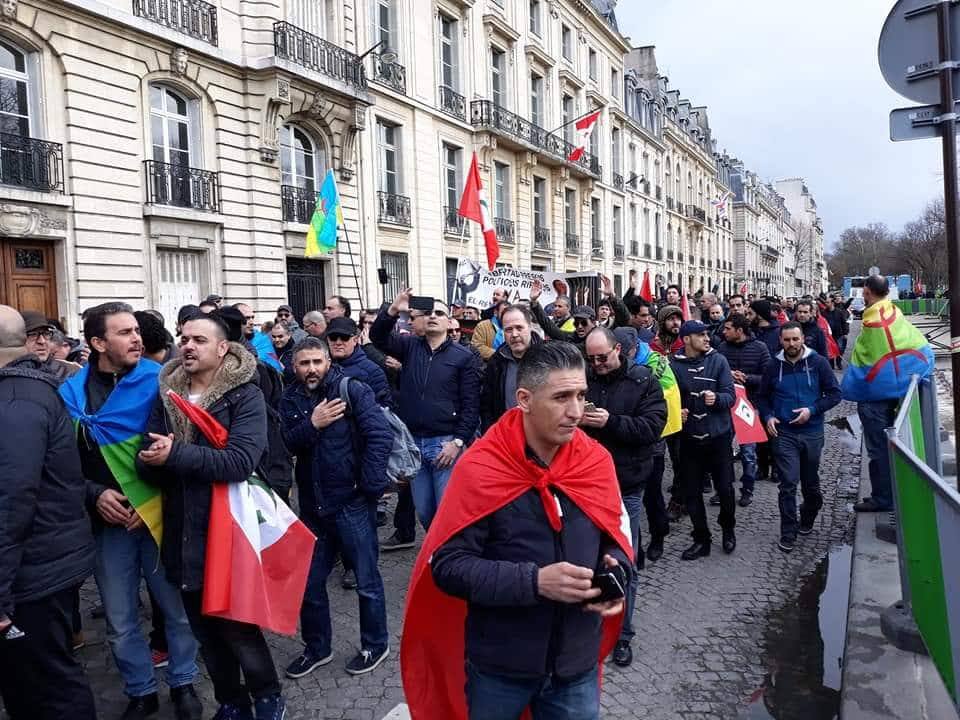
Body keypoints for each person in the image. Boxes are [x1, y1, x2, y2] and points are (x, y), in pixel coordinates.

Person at [401, 342, 633, 720]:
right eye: (561, 397)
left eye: (581, 395)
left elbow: (618, 535)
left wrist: (616, 572)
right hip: (500, 668)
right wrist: (535, 582)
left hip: (576, 665)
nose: (577, 412)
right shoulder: (480, 468)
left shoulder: (596, 461)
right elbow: (448, 566)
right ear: (524, 398)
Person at [136, 312, 286, 720]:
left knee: (236, 625)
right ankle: (231, 701)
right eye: (184, 338)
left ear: (222, 349)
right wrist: (152, 460)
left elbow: (239, 461)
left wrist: (174, 455)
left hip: (228, 529)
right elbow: (145, 460)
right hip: (182, 529)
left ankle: (268, 697)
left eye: (199, 340)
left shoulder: (244, 395)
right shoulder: (167, 394)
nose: (187, 346)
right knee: (204, 628)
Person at [60, 303, 202, 720]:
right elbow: (62, 462)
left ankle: (184, 682)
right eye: (124, 333)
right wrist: (93, 495)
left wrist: (151, 501)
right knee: (120, 620)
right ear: (98, 343)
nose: (137, 338)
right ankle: (141, 690)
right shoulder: (68, 394)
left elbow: (185, 450)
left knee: (174, 610)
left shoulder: (162, 382)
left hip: (158, 514)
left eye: (137, 330)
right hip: (108, 524)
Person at [0, 305, 97, 720]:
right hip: (37, 563)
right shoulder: (20, 391)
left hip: (33, 572)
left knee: (48, 688)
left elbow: (10, 500)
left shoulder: (17, 401)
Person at [279, 337, 392, 679]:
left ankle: (375, 643)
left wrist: (368, 489)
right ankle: (317, 648)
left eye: (316, 362)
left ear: (327, 361)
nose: (311, 369)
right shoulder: (290, 398)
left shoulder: (350, 389)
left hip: (351, 504)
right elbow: (285, 443)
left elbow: (380, 436)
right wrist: (312, 423)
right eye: (304, 363)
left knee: (367, 580)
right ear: (294, 367)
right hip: (314, 508)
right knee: (310, 583)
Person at [582, 327, 666, 667]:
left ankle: (623, 634)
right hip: (585, 487)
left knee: (623, 564)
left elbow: (651, 428)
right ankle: (589, 628)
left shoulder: (644, 380)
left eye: (602, 357)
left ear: (619, 349)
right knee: (586, 561)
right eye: (592, 359)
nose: (597, 364)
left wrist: (610, 422)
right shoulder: (585, 377)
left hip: (626, 487)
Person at [370, 290, 481, 530]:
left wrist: (458, 442)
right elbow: (377, 337)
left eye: (439, 313)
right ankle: (437, 553)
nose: (433, 316)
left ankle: (448, 559)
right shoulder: (409, 346)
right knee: (425, 511)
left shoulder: (463, 357)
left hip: (445, 445)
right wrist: (393, 309)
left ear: (450, 321)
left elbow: (471, 404)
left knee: (446, 511)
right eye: (428, 312)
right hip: (413, 444)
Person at [841, 275, 935, 513]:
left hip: (876, 398)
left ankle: (883, 499)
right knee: (903, 444)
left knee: (878, 450)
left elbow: (862, 361)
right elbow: (914, 345)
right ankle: (903, 492)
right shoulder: (895, 313)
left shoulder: (872, 322)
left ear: (867, 293)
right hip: (902, 391)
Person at [759, 323, 841, 552]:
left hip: (812, 432)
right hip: (784, 433)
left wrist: (811, 411)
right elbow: (762, 397)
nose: (792, 344)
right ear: (781, 341)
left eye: (795, 339)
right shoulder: (773, 366)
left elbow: (835, 394)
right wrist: (767, 416)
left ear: (803, 338)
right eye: (787, 340)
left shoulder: (818, 363)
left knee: (811, 486)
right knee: (787, 484)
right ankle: (788, 531)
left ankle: (808, 514)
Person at [670, 320, 737, 560]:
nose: (707, 338)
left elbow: (731, 396)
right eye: (701, 335)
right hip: (689, 439)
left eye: (707, 334)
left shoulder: (718, 361)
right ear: (687, 339)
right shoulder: (673, 366)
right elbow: (668, 399)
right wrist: (677, 412)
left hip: (718, 437)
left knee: (726, 489)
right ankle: (702, 539)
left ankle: (728, 528)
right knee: (691, 492)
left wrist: (716, 398)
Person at [716, 313, 771, 507]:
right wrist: (729, 376)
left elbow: (768, 377)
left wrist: (747, 378)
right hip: (726, 405)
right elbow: (715, 373)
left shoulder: (760, 348)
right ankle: (723, 489)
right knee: (722, 451)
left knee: (748, 452)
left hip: (750, 405)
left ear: (739, 331)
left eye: (728, 329)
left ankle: (747, 489)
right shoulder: (722, 348)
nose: (724, 332)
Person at [479, 304, 541, 432]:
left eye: (519, 328)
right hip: (506, 436)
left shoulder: (548, 358)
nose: (514, 334)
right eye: (508, 329)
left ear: (530, 327)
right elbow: (487, 405)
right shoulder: (496, 362)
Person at [21, 310, 81, 381]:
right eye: (33, 334)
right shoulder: (9, 373)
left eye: (46, 333)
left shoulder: (70, 372)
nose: (42, 341)